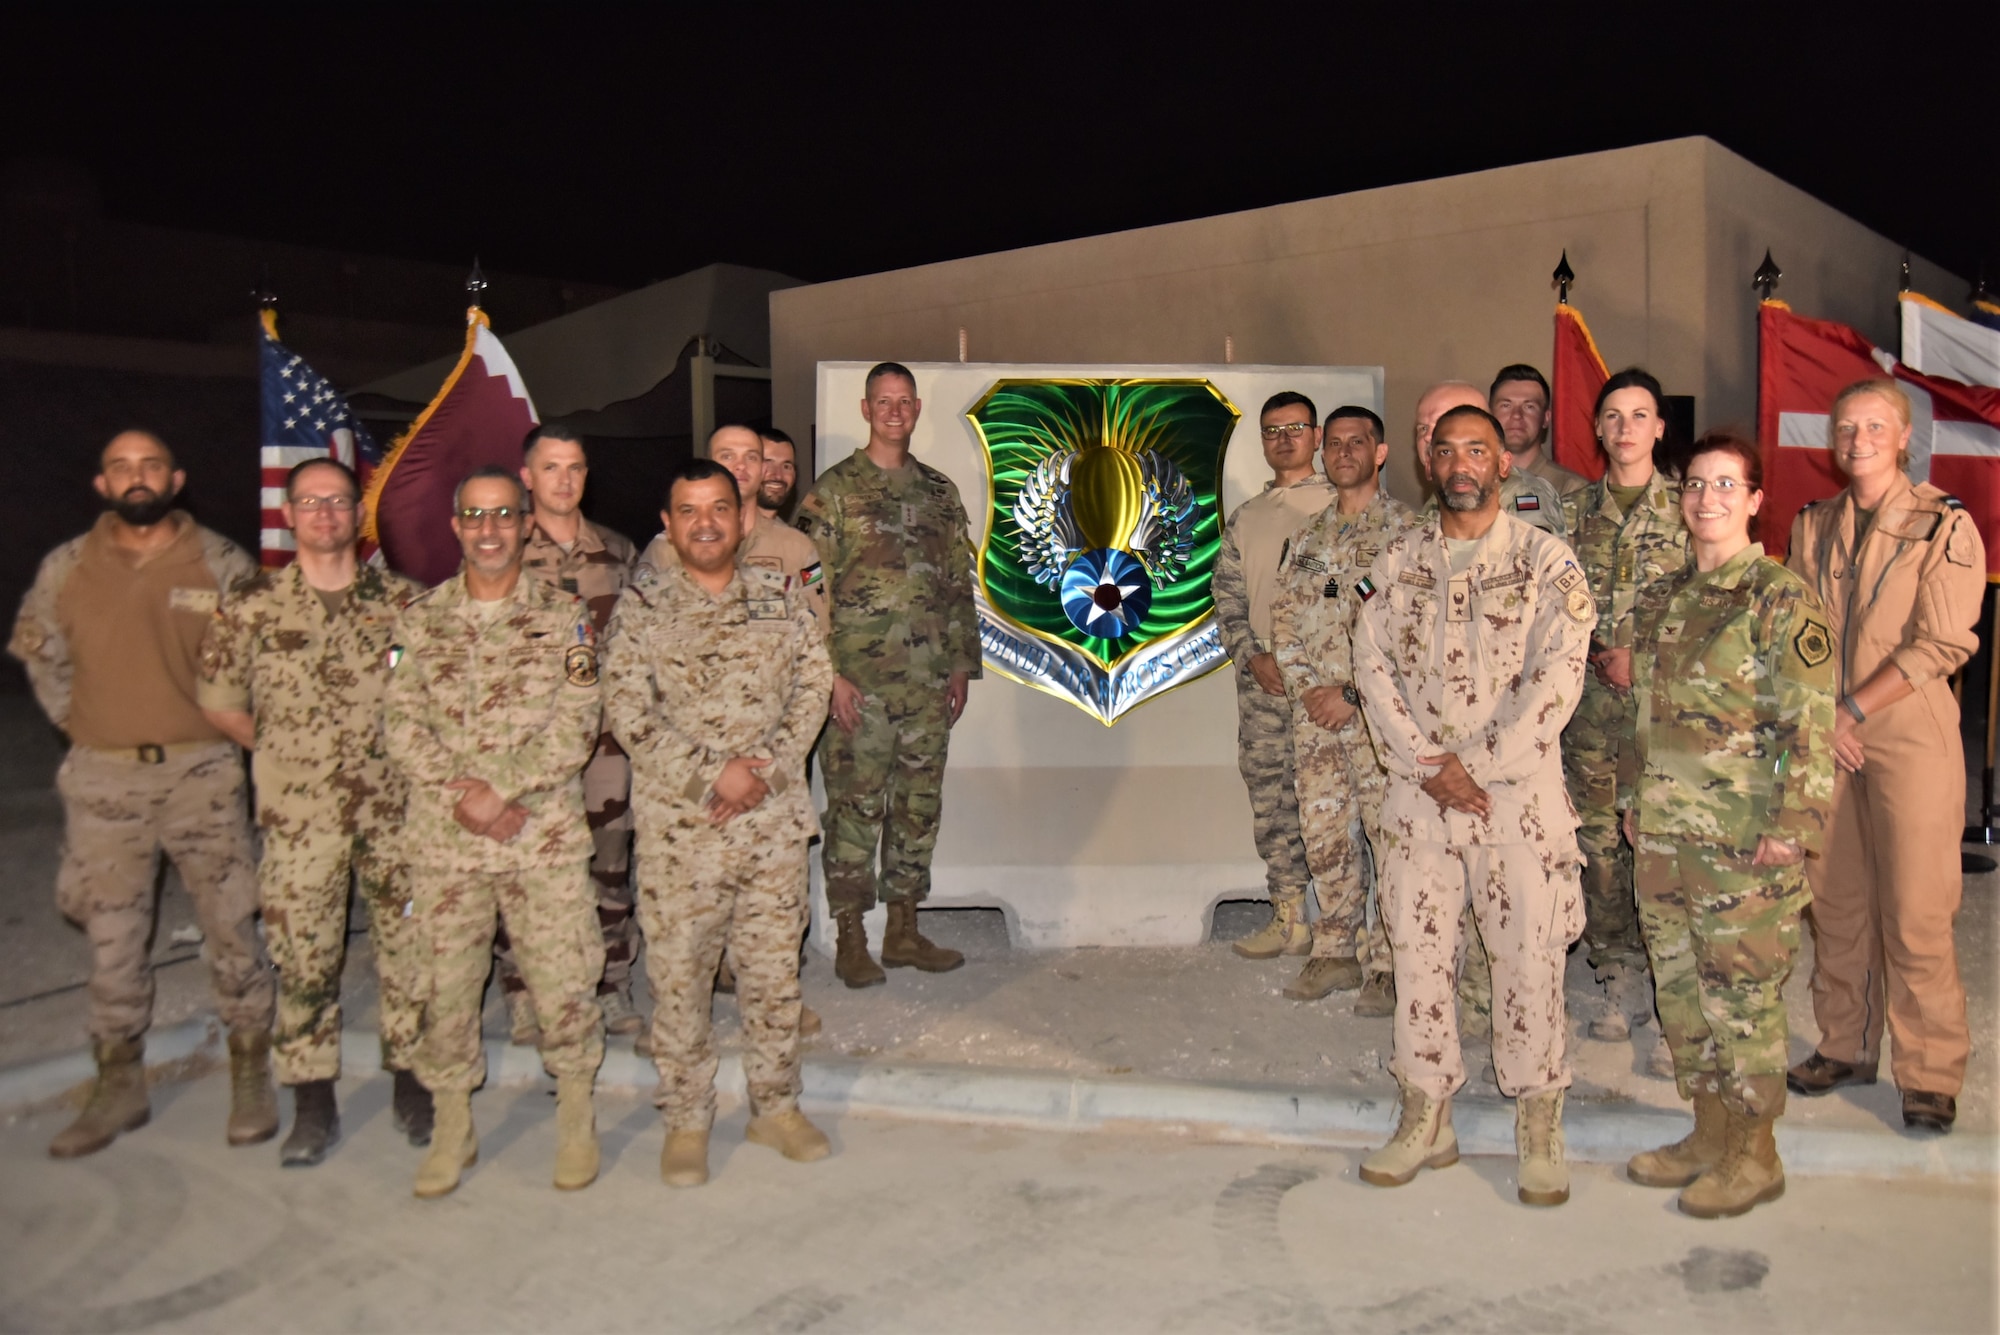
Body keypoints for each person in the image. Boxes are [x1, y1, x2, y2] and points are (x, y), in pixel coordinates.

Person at [10, 430, 277, 1158]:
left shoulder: (221, 563)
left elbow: (262, 661)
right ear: (102, 483)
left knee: (232, 923)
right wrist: (92, 730)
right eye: (122, 468)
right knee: (112, 936)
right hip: (105, 780)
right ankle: (117, 1082)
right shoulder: (66, 567)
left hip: (202, 775)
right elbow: (44, 663)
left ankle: (251, 1069)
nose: (137, 478)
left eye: (150, 465)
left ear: (176, 477)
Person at [1352, 405, 1590, 1207]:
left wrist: (1474, 768)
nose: (1460, 463)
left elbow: (1559, 681)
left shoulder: (1544, 562)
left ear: (1502, 465)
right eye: (1446, 450)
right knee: (1419, 956)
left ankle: (1539, 1118)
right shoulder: (1396, 562)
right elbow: (1372, 668)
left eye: (1477, 450)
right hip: (1420, 802)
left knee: (1530, 956)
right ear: (1430, 465)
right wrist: (1429, 766)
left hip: (1515, 801)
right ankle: (1427, 1111)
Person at [1621, 430, 1834, 1217]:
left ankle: (1756, 1150)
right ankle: (1708, 1130)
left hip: (1745, 843)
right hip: (1669, 836)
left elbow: (1808, 725)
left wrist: (1794, 822)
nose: (1707, 498)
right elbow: (1645, 716)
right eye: (1695, 486)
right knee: (1680, 991)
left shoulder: (1780, 598)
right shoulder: (1671, 598)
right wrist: (1633, 801)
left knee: (1743, 998)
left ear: (1752, 501)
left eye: (1724, 485)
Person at [604, 459, 834, 1186]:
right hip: (684, 832)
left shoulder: (780, 596)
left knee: (772, 978)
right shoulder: (641, 607)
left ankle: (774, 1107)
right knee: (680, 980)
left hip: (769, 825)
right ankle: (686, 1118)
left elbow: (814, 682)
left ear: (740, 518)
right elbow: (629, 712)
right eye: (689, 510)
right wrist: (714, 774)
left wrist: (763, 768)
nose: (706, 522)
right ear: (668, 523)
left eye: (718, 508)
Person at [197, 458, 430, 1166]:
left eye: (338, 502)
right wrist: (284, 754)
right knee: (304, 961)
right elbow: (220, 701)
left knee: (409, 953)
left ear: (357, 515)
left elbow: (436, 699)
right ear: (288, 515)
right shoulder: (250, 604)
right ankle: (312, 1101)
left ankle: (413, 1083)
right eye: (311, 502)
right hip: (300, 820)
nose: (326, 514)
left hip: (394, 813)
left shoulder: (404, 603)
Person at [382, 466, 606, 1198]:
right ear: (455, 526)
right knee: (444, 988)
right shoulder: (418, 619)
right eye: (474, 516)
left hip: (538, 833)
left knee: (564, 980)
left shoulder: (564, 615)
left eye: (504, 515)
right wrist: (464, 797)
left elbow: (577, 722)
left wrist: (500, 789)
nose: (489, 530)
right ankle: (453, 1123)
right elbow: (401, 723)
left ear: (525, 524)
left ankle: (576, 1116)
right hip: (447, 845)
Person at [1785, 379, 1984, 1135]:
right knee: (1834, 901)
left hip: (1906, 729)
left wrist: (1854, 707)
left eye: (1874, 426)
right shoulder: (1813, 526)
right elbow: (1795, 627)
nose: (1857, 438)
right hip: (1828, 733)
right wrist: (1818, 712)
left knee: (1917, 910)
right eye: (1845, 426)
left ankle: (1929, 1070)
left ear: (1904, 438)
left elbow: (1941, 640)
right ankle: (1844, 1044)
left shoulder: (1941, 526)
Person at [796, 363, 981, 986]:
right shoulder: (835, 492)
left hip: (928, 686)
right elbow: (805, 593)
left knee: (917, 809)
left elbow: (959, 584)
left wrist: (960, 666)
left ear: (918, 407)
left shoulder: (939, 494)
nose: (894, 411)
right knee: (854, 811)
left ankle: (903, 930)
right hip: (860, 688)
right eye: (884, 401)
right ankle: (852, 938)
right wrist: (828, 678)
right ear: (866, 407)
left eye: (904, 401)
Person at [1558, 369, 1688, 1068]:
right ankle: (1617, 974)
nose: (1627, 427)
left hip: (1667, 720)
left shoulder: (1692, 511)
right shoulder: (1574, 514)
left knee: (1665, 852)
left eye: (1641, 414)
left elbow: (1717, 611)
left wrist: (1651, 660)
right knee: (1602, 852)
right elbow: (1548, 609)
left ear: (1660, 427)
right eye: (1613, 415)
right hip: (1591, 720)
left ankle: (1675, 997)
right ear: (1600, 429)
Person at [497, 424, 641, 1048]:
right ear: (526, 477)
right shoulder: (500, 554)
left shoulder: (616, 551)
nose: (565, 480)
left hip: (605, 748)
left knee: (609, 871)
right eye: (551, 468)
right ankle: (525, 994)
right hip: (526, 750)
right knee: (525, 874)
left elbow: (639, 649)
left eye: (575, 467)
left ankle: (612, 989)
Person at [1268, 406, 1411, 1009]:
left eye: (1359, 442)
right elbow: (1285, 621)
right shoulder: (1308, 539)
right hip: (1316, 720)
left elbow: (1416, 633)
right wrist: (1312, 691)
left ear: (1380, 453)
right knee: (1324, 835)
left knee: (1390, 838)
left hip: (1380, 721)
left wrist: (1352, 694)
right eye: (1335, 444)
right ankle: (1334, 952)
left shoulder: (1410, 534)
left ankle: (1388, 964)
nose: (1344, 452)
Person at [1213, 392, 1335, 961]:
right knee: (1271, 798)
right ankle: (1288, 915)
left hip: (1324, 681)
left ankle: (1340, 926)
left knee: (1332, 804)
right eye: (1271, 431)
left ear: (1316, 436)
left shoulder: (1341, 506)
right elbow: (1227, 598)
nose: (1283, 439)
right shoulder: (1246, 517)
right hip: (1261, 677)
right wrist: (1249, 656)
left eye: (1295, 428)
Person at [636, 425, 827, 638]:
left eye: (752, 457)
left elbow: (818, 633)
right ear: (708, 465)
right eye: (727, 456)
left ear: (762, 469)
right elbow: (639, 638)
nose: (740, 466)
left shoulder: (796, 547)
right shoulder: (668, 548)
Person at [1417, 381, 1567, 541]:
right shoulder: (1438, 499)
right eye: (1423, 428)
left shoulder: (1521, 493)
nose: (1428, 437)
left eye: (1443, 423)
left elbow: (1530, 559)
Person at [1491, 364, 1587, 497]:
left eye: (1529, 406)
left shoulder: (1572, 489)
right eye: (1506, 405)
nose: (1517, 415)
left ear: (1546, 418)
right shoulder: (1473, 482)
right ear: (1489, 416)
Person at [758, 426, 803, 522]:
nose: (778, 475)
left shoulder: (791, 536)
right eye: (768, 464)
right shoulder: (727, 532)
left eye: (786, 466)